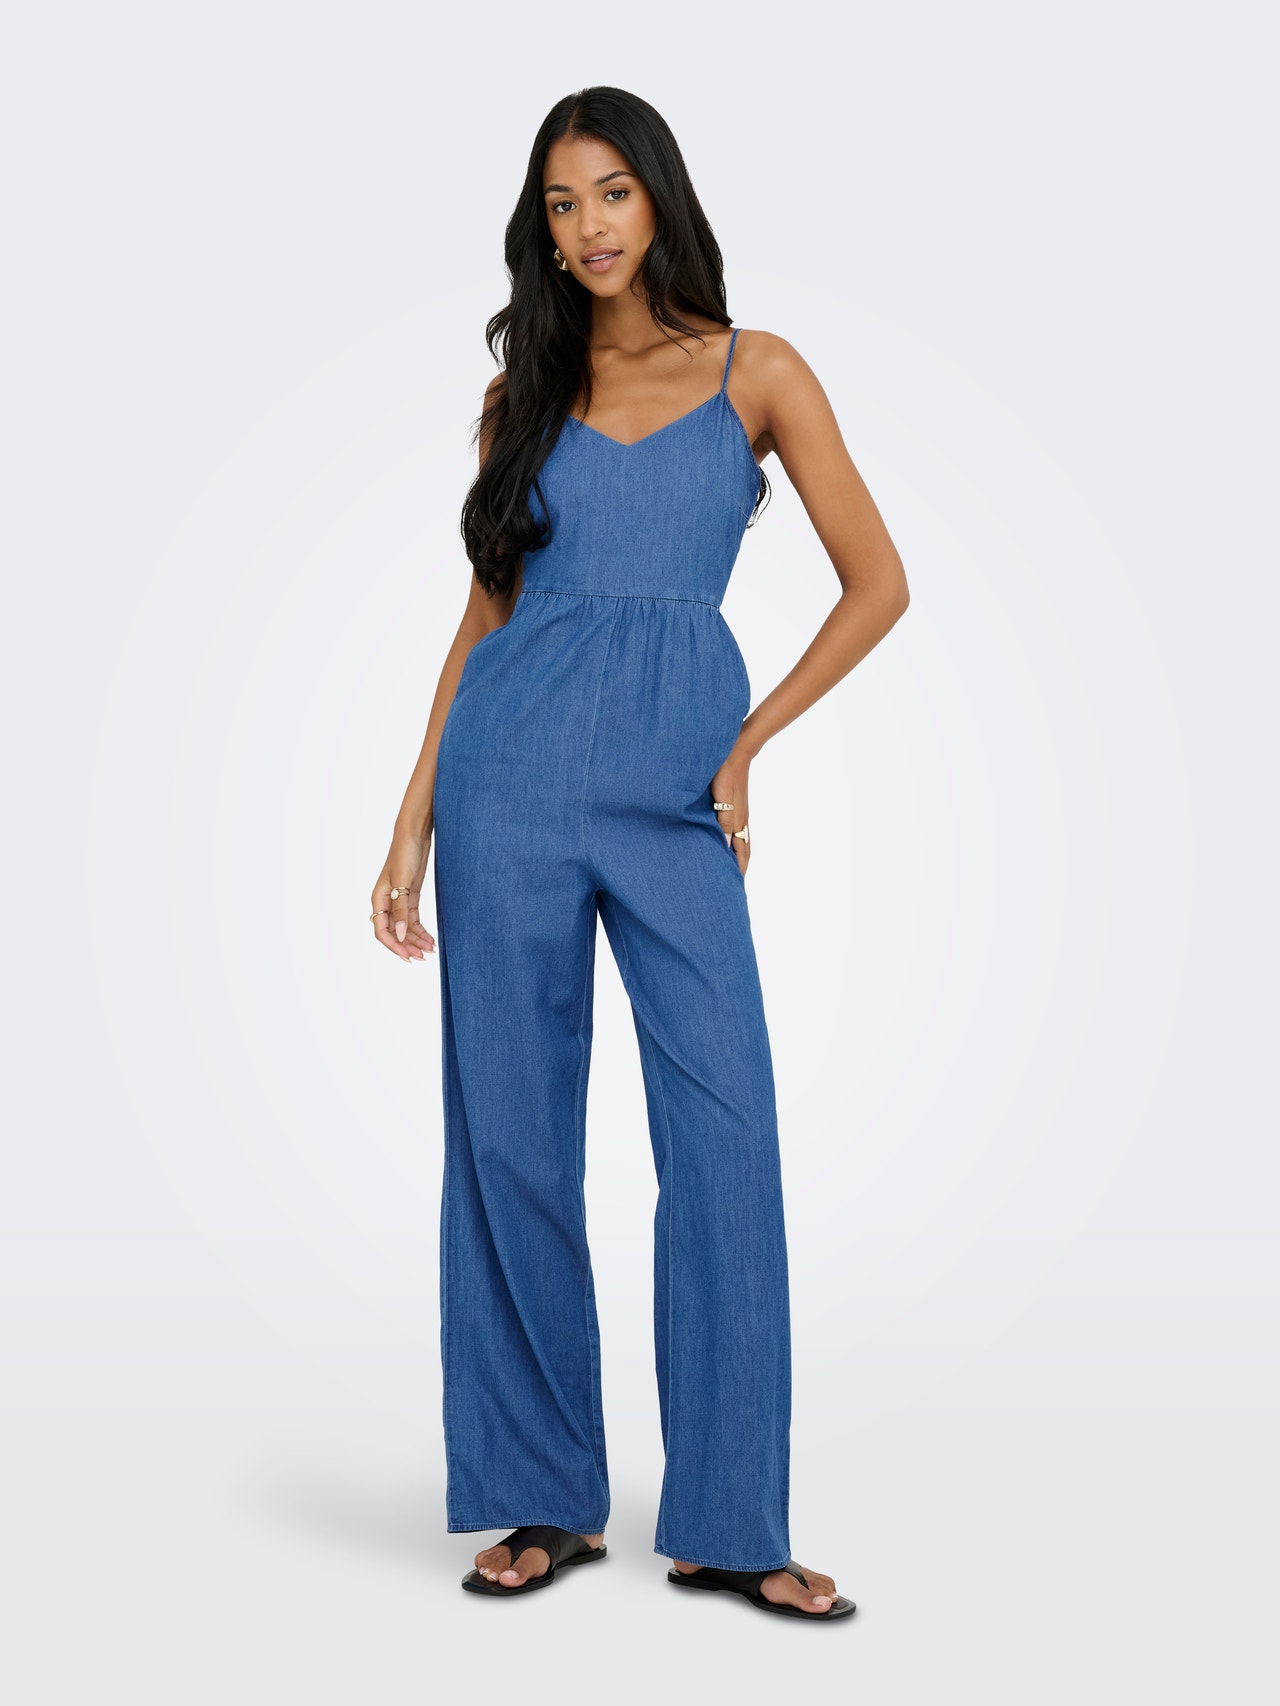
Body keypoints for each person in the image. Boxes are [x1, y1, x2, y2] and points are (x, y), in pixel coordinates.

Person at [370, 86, 908, 1621]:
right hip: (508, 786)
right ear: (541, 232)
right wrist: (411, 816)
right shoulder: (523, 399)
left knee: (724, 1136)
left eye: (611, 191)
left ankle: (732, 1518)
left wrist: (748, 744)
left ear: (659, 197)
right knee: (511, 1136)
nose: (589, 225)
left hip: (676, 794)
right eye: (561, 203)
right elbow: (486, 616)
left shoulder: (758, 371)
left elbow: (879, 583)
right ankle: (544, 1494)